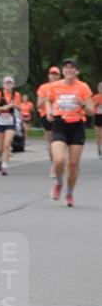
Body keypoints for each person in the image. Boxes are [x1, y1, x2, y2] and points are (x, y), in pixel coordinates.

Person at [45, 59, 94, 206]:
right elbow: (48, 100)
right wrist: (49, 111)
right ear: (63, 71)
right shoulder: (55, 86)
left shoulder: (83, 87)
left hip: (77, 126)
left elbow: (91, 111)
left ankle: (69, 193)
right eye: (66, 68)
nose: (69, 70)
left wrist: (82, 104)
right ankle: (59, 182)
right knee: (59, 160)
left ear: (77, 71)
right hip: (59, 124)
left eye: (72, 68)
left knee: (73, 164)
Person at [0, 76, 21, 175]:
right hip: (0, 121)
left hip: (10, 121)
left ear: (13, 85)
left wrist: (15, 105)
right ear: (3, 84)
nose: (8, 85)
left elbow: (19, 107)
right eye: (6, 83)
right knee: (1, 148)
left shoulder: (16, 95)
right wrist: (4, 107)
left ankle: (4, 166)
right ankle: (0, 160)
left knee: (7, 144)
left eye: (10, 83)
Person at [36, 66, 61, 176]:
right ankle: (54, 165)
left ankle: (64, 162)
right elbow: (38, 105)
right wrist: (46, 99)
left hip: (60, 115)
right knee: (51, 142)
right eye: (52, 74)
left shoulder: (62, 86)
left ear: (59, 76)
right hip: (46, 116)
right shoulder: (43, 87)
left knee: (61, 140)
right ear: (48, 75)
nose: (53, 76)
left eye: (56, 74)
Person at [92, 82, 102, 158]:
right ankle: (99, 150)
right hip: (97, 116)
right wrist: (96, 104)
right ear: (98, 89)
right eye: (100, 88)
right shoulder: (95, 97)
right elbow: (91, 107)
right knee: (98, 135)